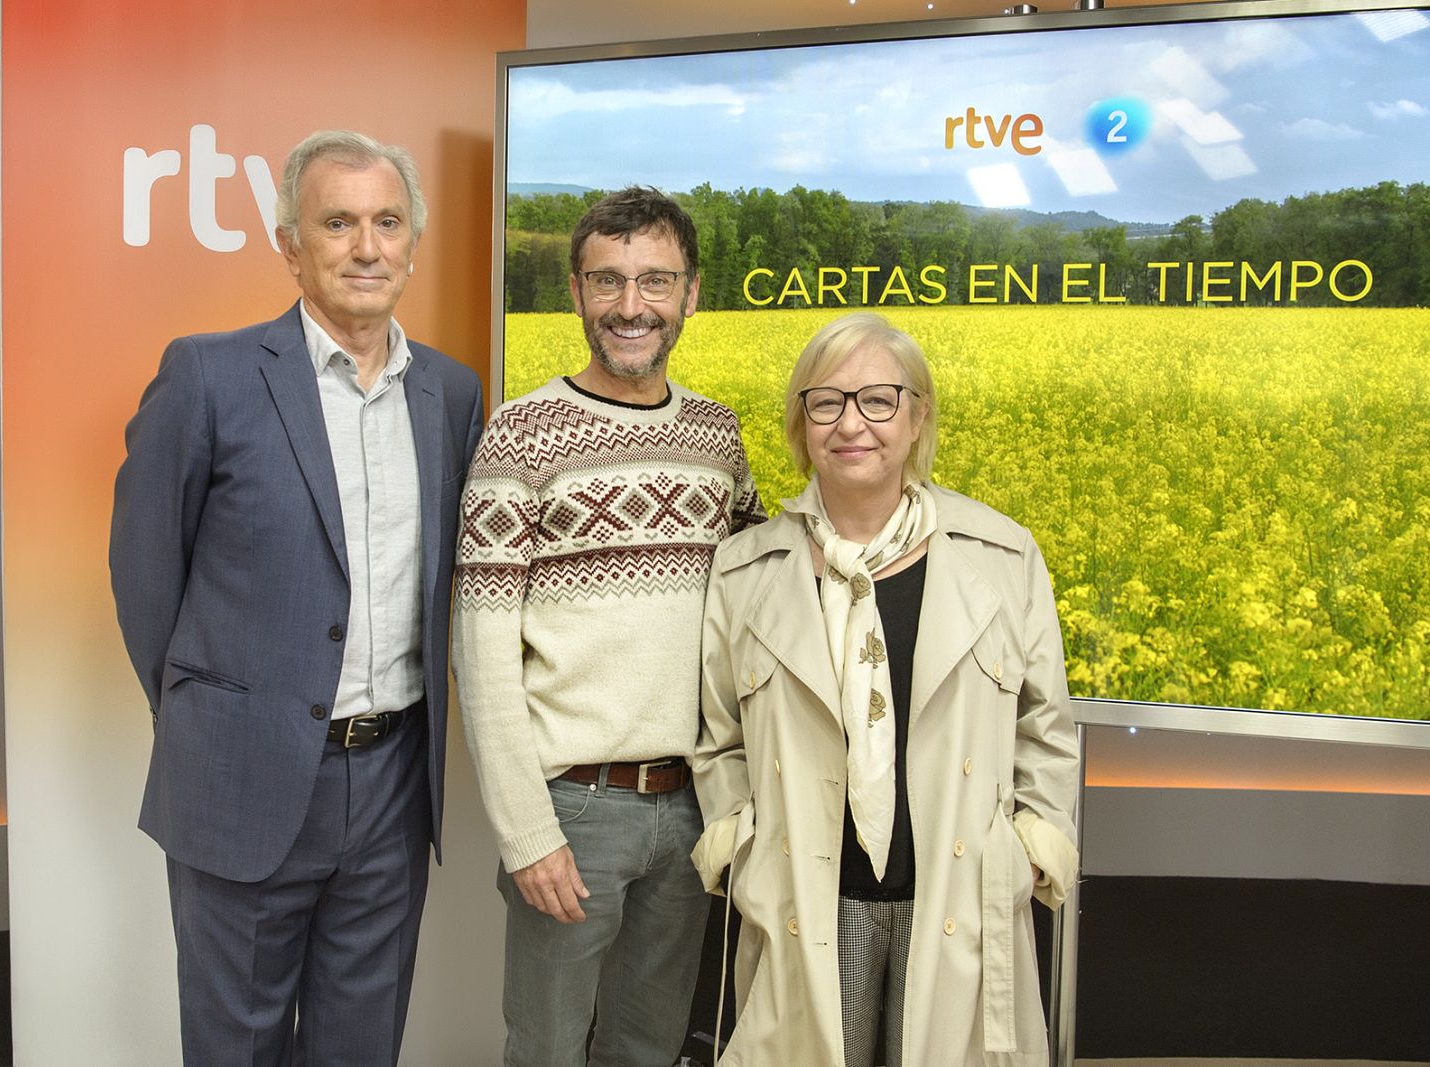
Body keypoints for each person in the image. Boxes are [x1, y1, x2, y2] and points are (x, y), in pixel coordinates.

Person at [109, 129, 483, 1066]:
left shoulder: (450, 392)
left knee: (364, 1046)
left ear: (412, 242)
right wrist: (216, 717)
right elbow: (145, 575)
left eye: (387, 222)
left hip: (393, 785)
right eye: (338, 223)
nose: (367, 247)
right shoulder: (208, 376)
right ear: (290, 245)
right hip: (243, 779)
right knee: (236, 1047)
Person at [691, 312, 1080, 1067]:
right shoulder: (745, 571)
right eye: (826, 402)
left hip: (956, 897)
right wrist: (745, 853)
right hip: (809, 901)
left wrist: (1028, 851)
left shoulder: (1002, 556)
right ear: (801, 423)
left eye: (878, 400)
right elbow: (719, 739)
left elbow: (1045, 728)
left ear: (917, 416)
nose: (851, 424)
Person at [452, 186, 765, 1066]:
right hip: (573, 809)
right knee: (548, 1048)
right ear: (576, 293)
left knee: (650, 1047)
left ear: (690, 293)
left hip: (692, 805)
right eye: (608, 281)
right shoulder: (520, 437)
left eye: (655, 280)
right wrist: (526, 831)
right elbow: (482, 656)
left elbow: (756, 600)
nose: (632, 306)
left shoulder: (718, 436)